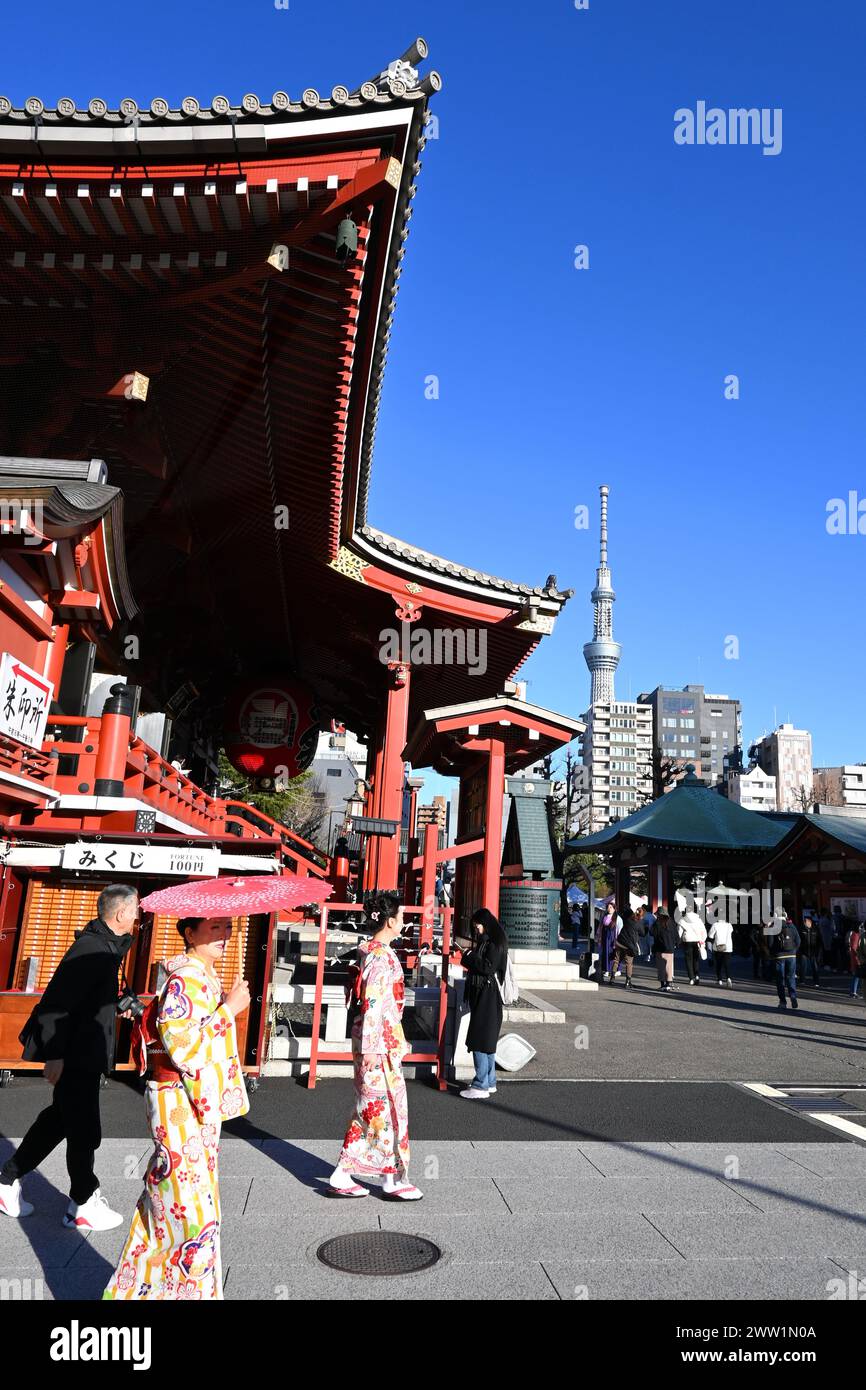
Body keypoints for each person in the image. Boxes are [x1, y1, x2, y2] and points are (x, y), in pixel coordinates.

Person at [103, 916, 250, 1300]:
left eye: (227, 927)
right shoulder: (186, 979)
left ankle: (143, 1291)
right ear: (189, 932)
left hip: (190, 1102)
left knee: (176, 1206)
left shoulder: (201, 976)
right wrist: (228, 1011)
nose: (224, 935)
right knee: (192, 1213)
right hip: (178, 1101)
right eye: (214, 927)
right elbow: (183, 1046)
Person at [0, 884, 139, 1228]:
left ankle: (6, 1180)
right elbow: (56, 1005)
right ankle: (82, 1203)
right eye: (135, 908)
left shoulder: (105, 948)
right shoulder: (91, 948)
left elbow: (85, 1001)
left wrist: (117, 1008)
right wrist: (56, 1055)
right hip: (76, 1055)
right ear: (121, 913)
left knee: (58, 1122)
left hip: (85, 1051)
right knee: (83, 1129)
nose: (138, 915)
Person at [330, 891, 421, 1200]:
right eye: (402, 918)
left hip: (380, 1038)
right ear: (390, 921)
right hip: (378, 1042)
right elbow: (372, 1003)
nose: (404, 923)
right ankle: (381, 1176)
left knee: (374, 1107)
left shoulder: (371, 952)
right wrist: (371, 1047)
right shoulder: (380, 956)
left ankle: (379, 1174)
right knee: (380, 1108)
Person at [460, 907, 509, 1097]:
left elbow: (487, 968)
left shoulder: (493, 945)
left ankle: (480, 1084)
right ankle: (489, 1081)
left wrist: (469, 957)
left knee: (479, 1040)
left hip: (487, 995)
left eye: (478, 925)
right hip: (489, 996)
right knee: (487, 1041)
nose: (477, 929)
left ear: (485, 924)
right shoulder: (496, 942)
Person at [769, 913, 800, 1011]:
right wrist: (794, 950)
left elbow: (770, 943)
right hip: (791, 955)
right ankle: (793, 996)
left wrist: (773, 953)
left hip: (779, 956)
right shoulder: (791, 925)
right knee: (791, 977)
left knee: (780, 979)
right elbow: (798, 940)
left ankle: (783, 1002)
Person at [609, 908, 642, 989]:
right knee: (629, 963)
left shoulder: (627, 920)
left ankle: (612, 978)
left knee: (616, 960)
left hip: (620, 943)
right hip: (629, 946)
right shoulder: (638, 923)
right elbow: (643, 933)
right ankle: (628, 981)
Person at [678, 907, 707, 985]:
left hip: (687, 941)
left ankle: (691, 978)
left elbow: (679, 933)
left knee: (688, 960)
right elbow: (703, 931)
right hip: (697, 941)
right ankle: (697, 975)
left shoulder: (682, 920)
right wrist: (702, 940)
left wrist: (679, 941)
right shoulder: (698, 919)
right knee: (696, 959)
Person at [652, 906, 678, 992]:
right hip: (670, 948)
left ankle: (663, 984)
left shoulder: (658, 922)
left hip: (660, 948)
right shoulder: (672, 922)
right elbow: (676, 934)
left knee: (661, 967)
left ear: (659, 914)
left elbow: (652, 932)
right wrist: (676, 943)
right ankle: (669, 983)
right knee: (669, 966)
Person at [708, 915, 734, 987]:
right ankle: (729, 978)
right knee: (727, 964)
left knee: (718, 964)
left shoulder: (715, 925)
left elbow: (710, 935)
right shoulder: (729, 925)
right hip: (728, 947)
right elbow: (731, 932)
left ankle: (719, 979)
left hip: (718, 947)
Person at [798, 914, 822, 988]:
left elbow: (819, 941)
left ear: (810, 922)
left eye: (806, 921)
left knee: (815, 967)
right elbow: (798, 940)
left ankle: (816, 982)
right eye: (804, 921)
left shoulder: (816, 929)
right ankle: (802, 981)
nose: (804, 922)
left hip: (813, 952)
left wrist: (819, 952)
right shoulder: (801, 929)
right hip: (804, 952)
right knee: (803, 967)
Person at [599, 900, 621, 981]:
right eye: (608, 907)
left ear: (614, 909)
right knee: (605, 953)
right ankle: (606, 969)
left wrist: (617, 940)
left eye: (611, 907)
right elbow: (600, 928)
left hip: (613, 938)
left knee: (613, 954)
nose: (609, 909)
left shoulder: (618, 918)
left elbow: (619, 930)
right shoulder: (604, 917)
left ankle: (616, 969)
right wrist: (599, 937)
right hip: (605, 937)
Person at [848, 921, 864, 998]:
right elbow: (854, 948)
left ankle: (852, 992)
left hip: (855, 958)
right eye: (861, 926)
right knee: (856, 976)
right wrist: (858, 959)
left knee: (856, 976)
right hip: (856, 958)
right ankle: (853, 992)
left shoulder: (856, 934)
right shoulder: (856, 935)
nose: (862, 928)